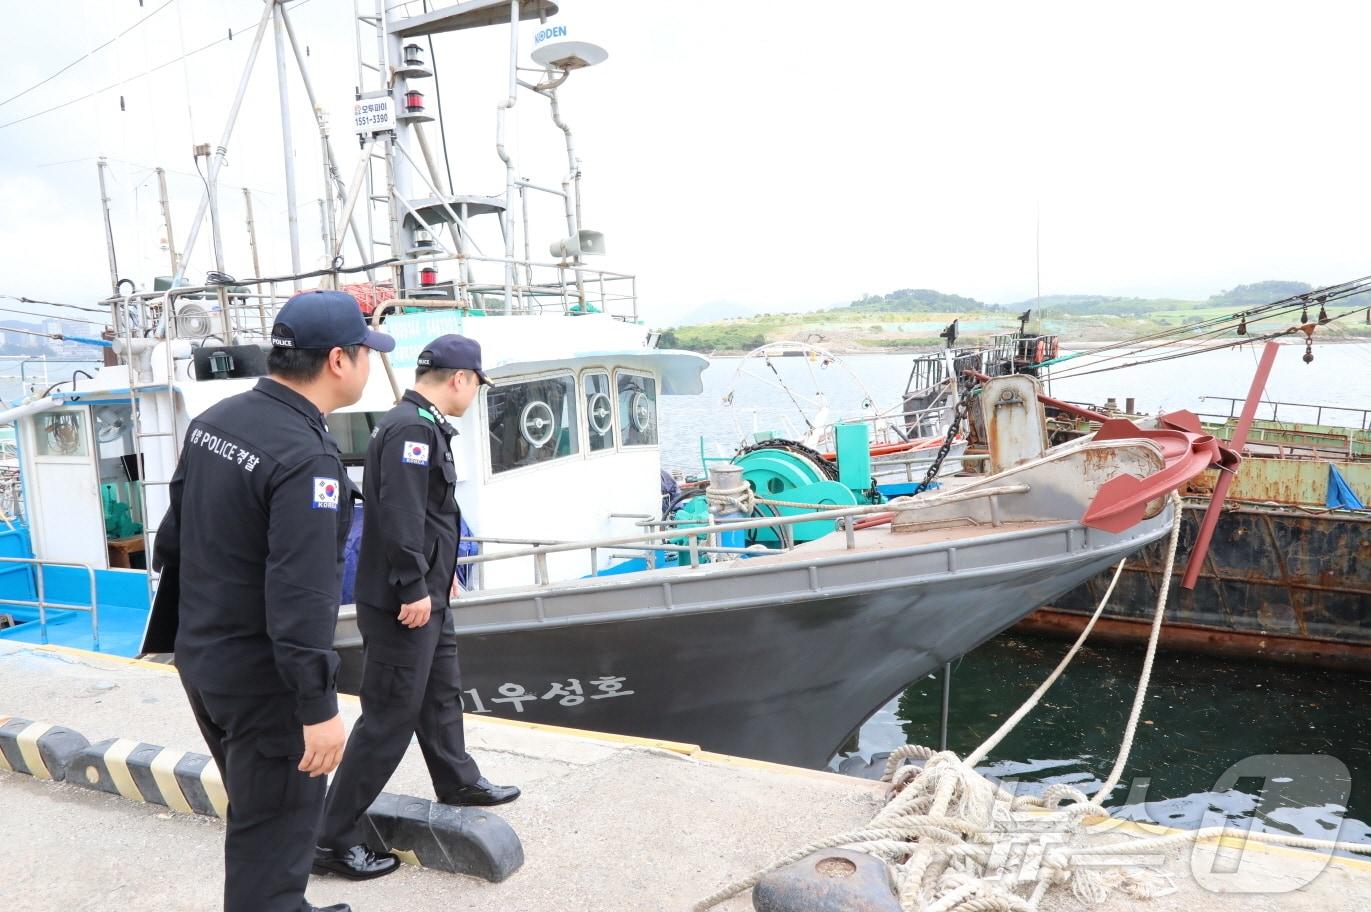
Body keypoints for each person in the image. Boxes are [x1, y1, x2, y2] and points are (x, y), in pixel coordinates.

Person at [146, 290, 394, 912]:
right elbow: (301, 595)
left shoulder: (216, 422)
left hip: (204, 658)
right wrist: (317, 705)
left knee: (265, 817)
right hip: (266, 683)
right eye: (367, 351)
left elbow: (174, 540)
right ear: (339, 360)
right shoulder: (307, 460)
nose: (369, 363)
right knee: (272, 833)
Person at [314, 333, 519, 881]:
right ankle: (330, 838)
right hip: (407, 600)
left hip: (429, 589)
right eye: (475, 383)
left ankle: (457, 778)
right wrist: (412, 588)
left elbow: (427, 517)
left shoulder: (418, 423)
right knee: (388, 719)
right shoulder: (411, 429)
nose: (474, 393)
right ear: (460, 380)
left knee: (439, 691)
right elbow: (402, 515)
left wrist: (440, 575)